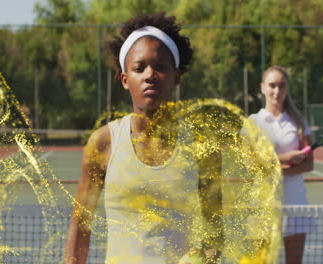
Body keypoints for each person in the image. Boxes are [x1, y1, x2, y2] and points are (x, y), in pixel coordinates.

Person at [64, 13, 225, 264]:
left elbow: (215, 231)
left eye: (160, 67)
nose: (150, 75)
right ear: (125, 79)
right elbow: (81, 226)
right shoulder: (103, 142)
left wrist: (203, 258)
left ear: (177, 75)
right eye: (139, 68)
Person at [248, 66, 316, 264]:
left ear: (287, 88)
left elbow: (309, 164)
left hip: (295, 204)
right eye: (272, 85)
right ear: (262, 88)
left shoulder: (298, 122)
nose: (276, 91)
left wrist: (271, 167)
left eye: (281, 85)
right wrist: (286, 158)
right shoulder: (253, 122)